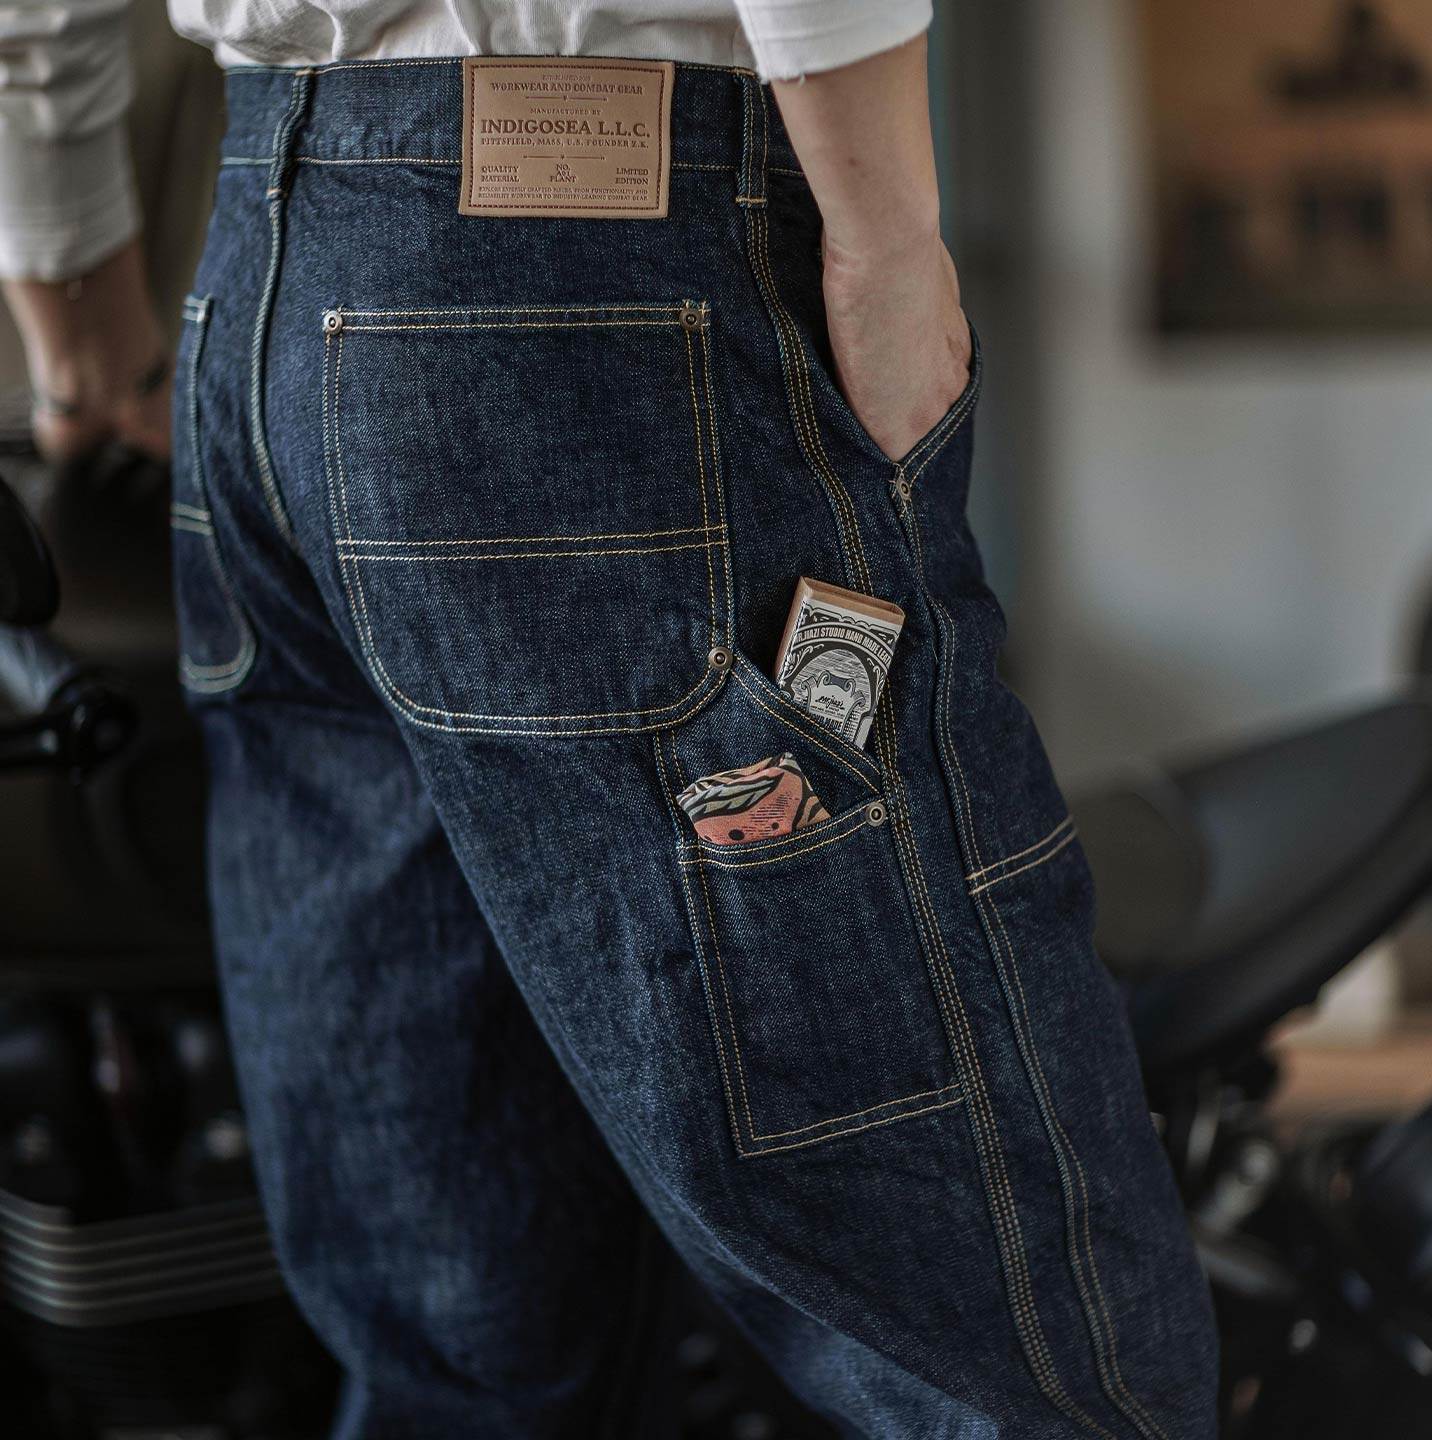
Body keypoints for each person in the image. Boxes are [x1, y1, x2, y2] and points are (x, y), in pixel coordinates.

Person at [0, 3, 1220, 1435]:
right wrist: (889, 245)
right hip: (603, 280)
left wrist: (78, 312)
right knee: (1005, 1343)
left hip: (267, 286)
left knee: (469, 1353)